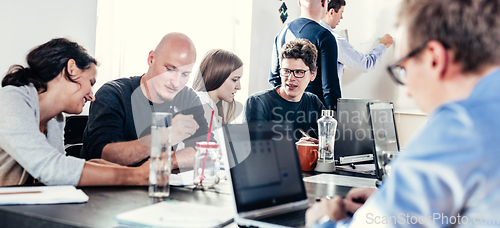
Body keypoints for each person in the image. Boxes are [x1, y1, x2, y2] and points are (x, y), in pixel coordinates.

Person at [306, 0, 500, 227]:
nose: (407, 92)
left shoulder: (459, 128)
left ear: (434, 58)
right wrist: (390, 204)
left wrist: (325, 219)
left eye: (404, 69)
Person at [0, 38, 149, 186]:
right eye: (91, 82)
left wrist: (98, 167)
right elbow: (50, 168)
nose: (92, 96)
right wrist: (136, 175)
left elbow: (59, 172)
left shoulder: (55, 120)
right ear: (71, 68)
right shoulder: (10, 99)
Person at [81, 33, 211, 170]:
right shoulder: (113, 94)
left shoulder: (187, 98)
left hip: (160, 188)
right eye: (170, 70)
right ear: (151, 59)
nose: (176, 83)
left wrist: (166, 162)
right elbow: (102, 155)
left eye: (185, 74)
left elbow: (205, 150)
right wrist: (163, 137)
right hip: (108, 189)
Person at [246, 39, 325, 142]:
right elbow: (255, 151)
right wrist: (297, 150)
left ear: (313, 74)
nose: (290, 78)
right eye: (286, 71)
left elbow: (330, 142)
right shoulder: (257, 102)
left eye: (299, 72)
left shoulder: (313, 102)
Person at [269, 0, 340, 110]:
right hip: (313, 116)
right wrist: (334, 120)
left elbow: (274, 78)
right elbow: (330, 89)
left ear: (299, 2)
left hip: (284, 113)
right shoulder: (324, 37)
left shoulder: (282, 34)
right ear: (324, 2)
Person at [320, 0, 394, 89]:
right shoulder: (335, 40)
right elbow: (364, 65)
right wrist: (382, 45)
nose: (341, 17)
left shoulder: (312, 33)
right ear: (331, 12)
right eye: (341, 12)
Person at [192, 49, 243, 142]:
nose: (239, 87)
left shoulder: (211, 106)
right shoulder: (201, 105)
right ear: (218, 75)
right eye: (235, 80)